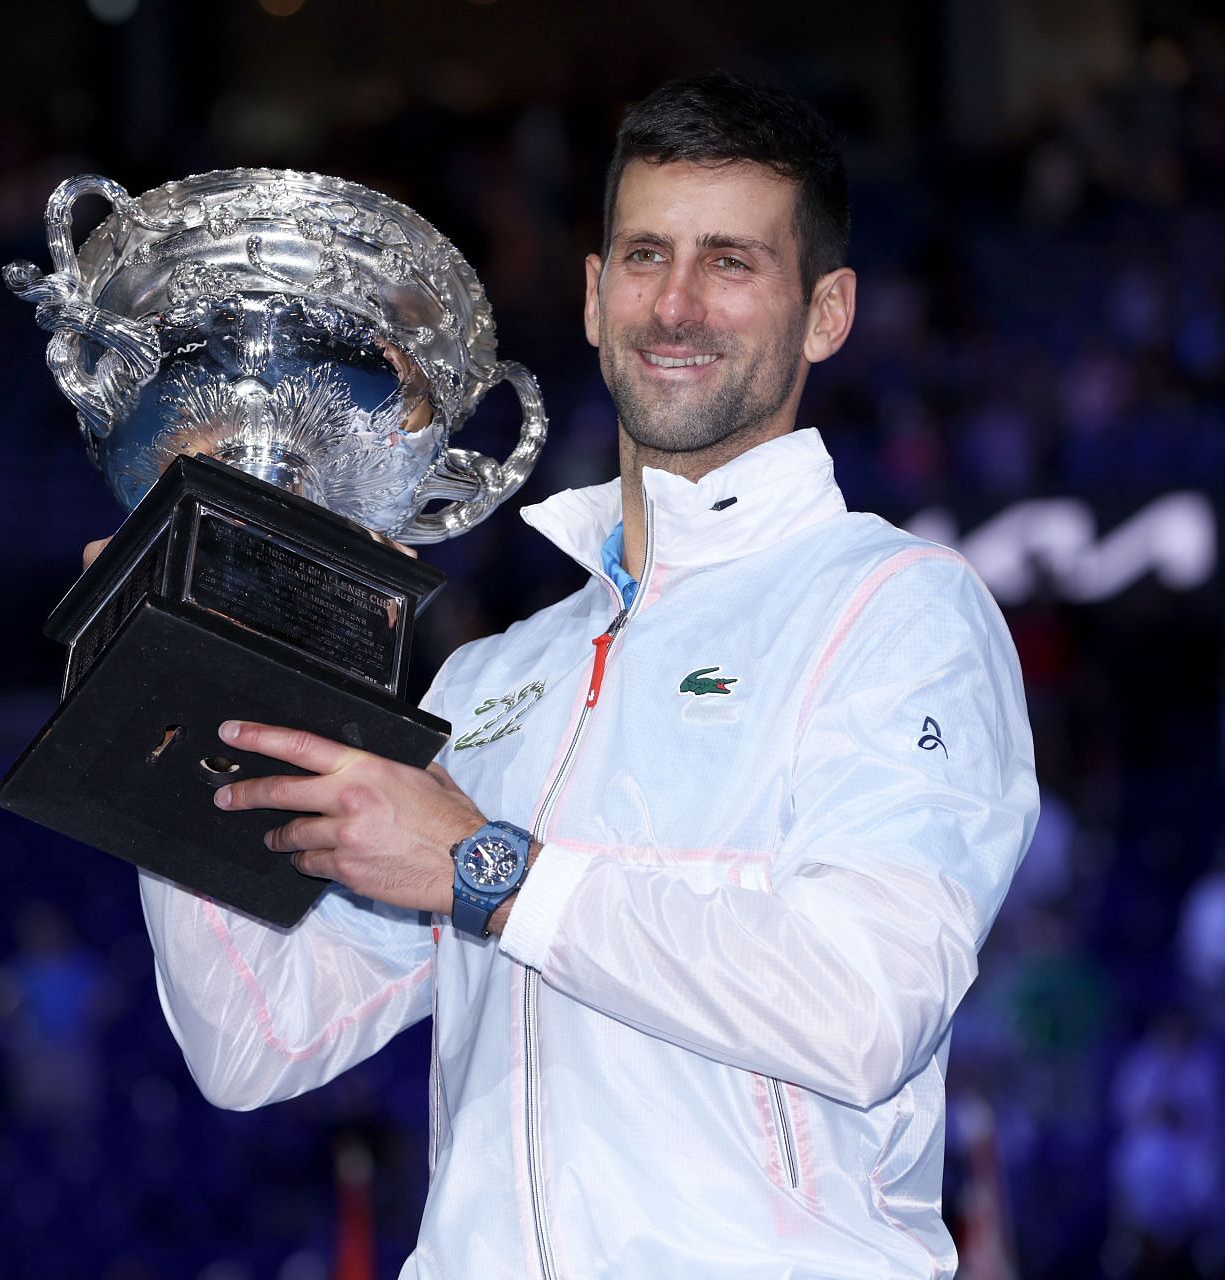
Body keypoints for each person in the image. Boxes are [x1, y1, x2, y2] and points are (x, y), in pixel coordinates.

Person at [131, 73, 1038, 1277]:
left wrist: (492, 870)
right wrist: (175, 661)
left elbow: (866, 1003)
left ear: (826, 312)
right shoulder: (494, 676)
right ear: (597, 298)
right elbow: (256, 1035)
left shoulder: (895, 608)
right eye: (646, 255)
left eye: (731, 262)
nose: (676, 304)